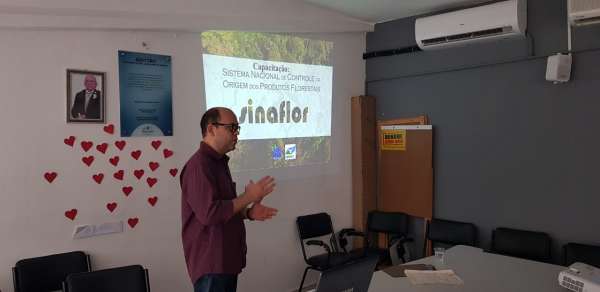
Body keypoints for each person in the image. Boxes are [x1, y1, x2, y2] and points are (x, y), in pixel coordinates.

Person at [180, 107, 278, 292]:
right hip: (212, 264)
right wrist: (248, 196)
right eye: (231, 128)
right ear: (211, 129)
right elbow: (210, 214)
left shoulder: (218, 163)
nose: (236, 134)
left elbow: (224, 208)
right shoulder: (198, 166)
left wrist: (248, 213)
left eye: (237, 129)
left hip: (225, 259)